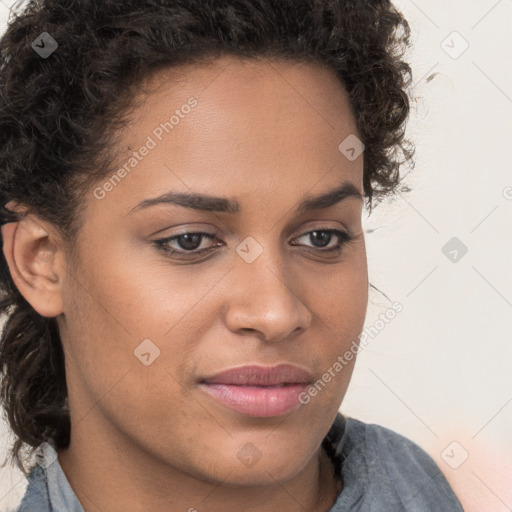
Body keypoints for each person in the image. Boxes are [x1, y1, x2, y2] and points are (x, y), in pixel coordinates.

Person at [0, 0, 464, 511]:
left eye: (321, 237)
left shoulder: (417, 488)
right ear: (41, 262)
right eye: (189, 241)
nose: (276, 313)